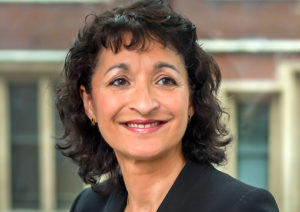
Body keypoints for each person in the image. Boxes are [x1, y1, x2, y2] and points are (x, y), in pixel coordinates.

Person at [56, 0, 279, 211]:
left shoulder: (242, 207)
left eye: (165, 80)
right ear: (89, 103)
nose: (144, 104)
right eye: (120, 81)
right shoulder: (88, 206)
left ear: (191, 100)